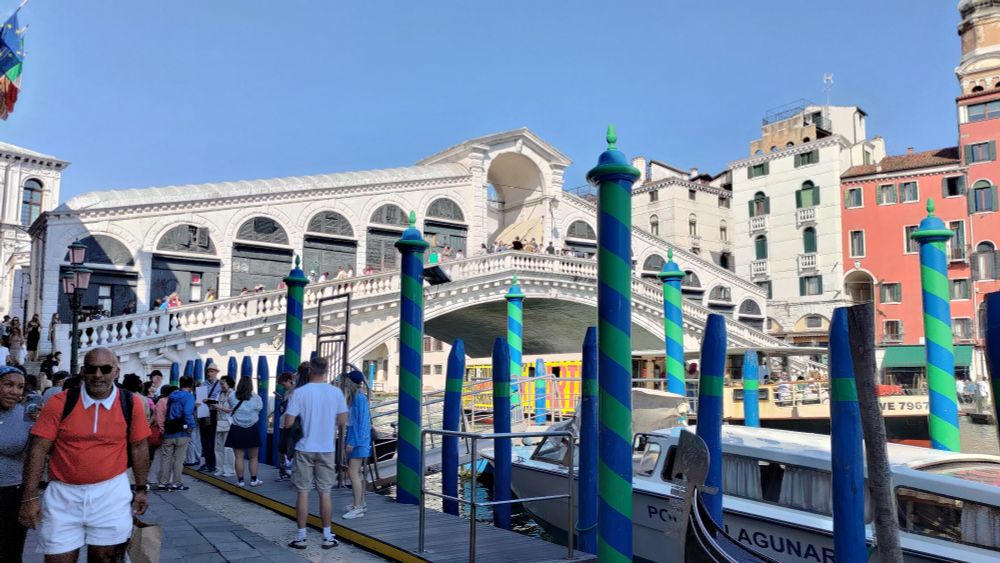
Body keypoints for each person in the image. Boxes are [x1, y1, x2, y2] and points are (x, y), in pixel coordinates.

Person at [19, 347, 151, 563]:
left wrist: (142, 489)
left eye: (105, 369)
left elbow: (139, 447)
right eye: (91, 369)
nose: (98, 375)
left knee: (105, 558)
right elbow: (38, 449)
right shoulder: (60, 402)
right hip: (63, 495)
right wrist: (30, 497)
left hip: (111, 494)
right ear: (82, 371)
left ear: (116, 372)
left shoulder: (130, 403)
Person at [283, 357, 348, 550]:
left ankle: (301, 537)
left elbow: (287, 423)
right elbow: (343, 420)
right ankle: (327, 536)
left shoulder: (299, 393)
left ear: (310, 369)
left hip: (304, 448)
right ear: (327, 370)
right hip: (326, 447)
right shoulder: (336, 392)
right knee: (325, 493)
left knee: (303, 492)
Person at [0, 366, 32, 562]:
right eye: (8, 385)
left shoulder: (26, 415)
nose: (15, 391)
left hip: (12, 493)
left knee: (10, 552)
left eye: (20, 387)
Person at [157, 376, 195, 492]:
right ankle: (176, 483)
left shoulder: (172, 396)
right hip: (181, 431)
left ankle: (163, 483)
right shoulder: (189, 396)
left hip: (169, 430)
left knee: (166, 458)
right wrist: (191, 426)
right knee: (179, 459)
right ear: (190, 385)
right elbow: (188, 413)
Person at [342, 370, 371, 519]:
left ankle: (358, 507)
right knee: (357, 472)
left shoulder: (358, 399)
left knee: (353, 472)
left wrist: (352, 442)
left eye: (347, 380)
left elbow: (360, 423)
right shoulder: (357, 398)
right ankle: (360, 502)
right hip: (359, 440)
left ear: (351, 382)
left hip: (358, 441)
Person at [225, 376, 263, 487]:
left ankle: (240, 481)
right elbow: (259, 409)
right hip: (252, 428)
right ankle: (253, 480)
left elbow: (230, 405)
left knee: (238, 457)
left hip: (237, 428)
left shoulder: (232, 396)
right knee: (254, 457)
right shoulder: (256, 398)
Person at [197, 363, 223, 473]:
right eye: (208, 371)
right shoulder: (203, 384)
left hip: (213, 413)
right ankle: (208, 462)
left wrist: (208, 400)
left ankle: (212, 464)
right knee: (204, 439)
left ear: (216, 372)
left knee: (211, 439)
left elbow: (220, 400)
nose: (209, 373)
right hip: (203, 412)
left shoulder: (220, 385)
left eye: (212, 371)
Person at [211, 376, 236, 477]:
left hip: (228, 422)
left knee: (228, 447)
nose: (221, 385)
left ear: (229, 383)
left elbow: (233, 409)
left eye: (223, 383)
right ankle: (220, 468)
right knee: (218, 446)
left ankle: (229, 469)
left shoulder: (233, 394)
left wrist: (219, 407)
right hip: (219, 422)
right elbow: (216, 403)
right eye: (220, 384)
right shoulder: (220, 394)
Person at [274, 371, 297, 481]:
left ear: (289, 381)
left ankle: (288, 470)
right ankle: (284, 470)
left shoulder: (295, 392)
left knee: (287, 447)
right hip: (284, 423)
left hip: (289, 424)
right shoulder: (288, 392)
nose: (283, 387)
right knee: (283, 447)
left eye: (283, 384)